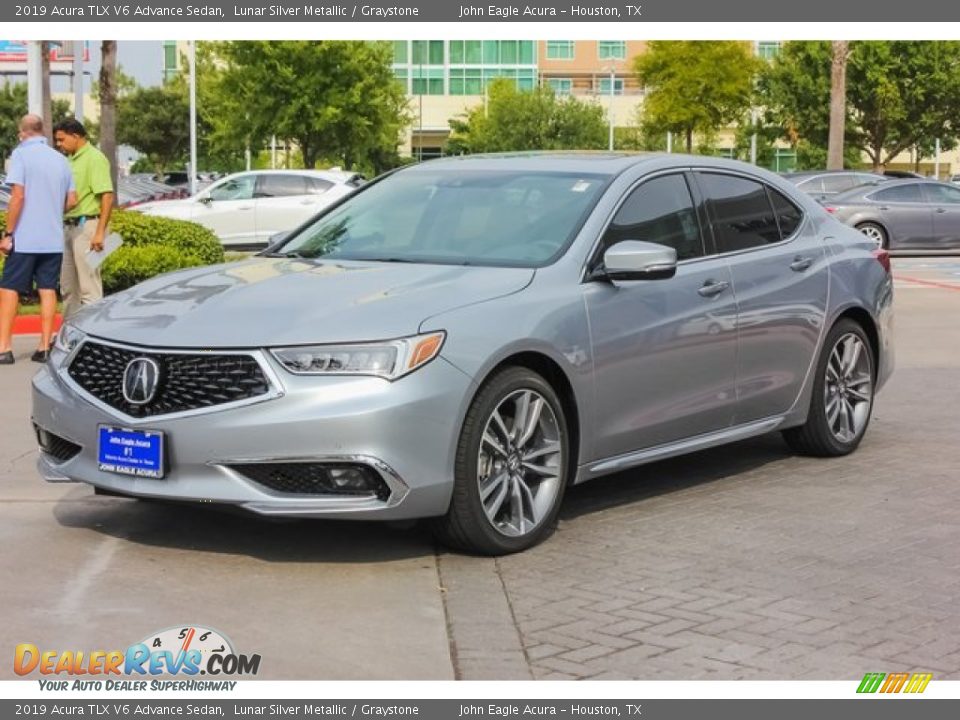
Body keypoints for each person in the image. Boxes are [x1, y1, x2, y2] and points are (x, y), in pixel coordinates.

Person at [0, 115, 77, 365]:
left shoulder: (21, 155)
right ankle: (44, 346)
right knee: (47, 290)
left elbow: (18, 197)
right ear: (42, 132)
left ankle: (4, 348)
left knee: (9, 289)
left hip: (25, 237)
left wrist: (8, 233)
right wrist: (52, 212)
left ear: (22, 133)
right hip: (52, 238)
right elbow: (72, 199)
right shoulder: (61, 159)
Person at [53, 118, 114, 318]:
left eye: (61, 140)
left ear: (76, 136)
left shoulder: (94, 158)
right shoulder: (68, 160)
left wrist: (99, 233)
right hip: (69, 228)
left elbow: (107, 195)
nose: (58, 144)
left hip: (87, 227)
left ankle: (94, 337)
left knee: (89, 287)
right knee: (69, 288)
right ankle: (70, 335)